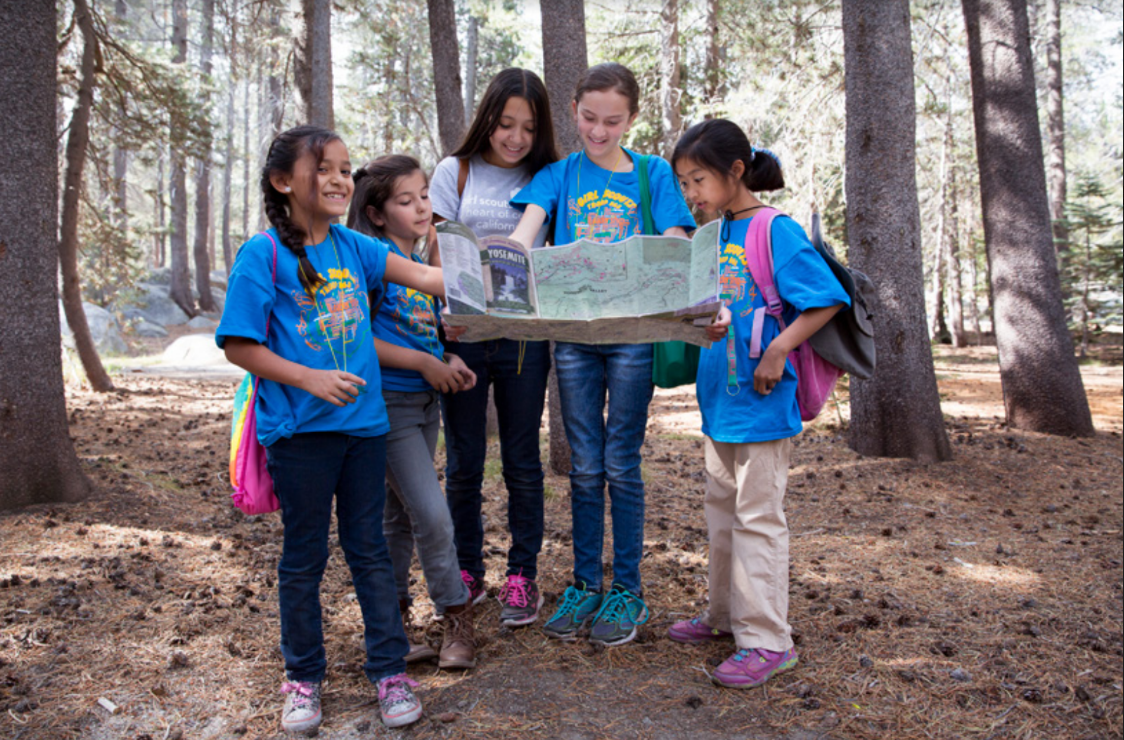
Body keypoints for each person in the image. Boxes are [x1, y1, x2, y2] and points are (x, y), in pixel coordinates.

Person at [217, 126, 444, 733]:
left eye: (346, 168)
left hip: (365, 429)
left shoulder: (355, 248)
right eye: (325, 168)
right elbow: (239, 343)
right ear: (283, 182)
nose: (341, 178)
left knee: (369, 549)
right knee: (304, 557)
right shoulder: (262, 255)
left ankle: (389, 672)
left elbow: (428, 280)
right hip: (299, 434)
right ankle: (303, 679)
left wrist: (509, 274)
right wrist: (309, 378)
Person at [507, 62, 697, 646]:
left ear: (631, 119)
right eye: (589, 118)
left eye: (612, 121)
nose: (599, 130)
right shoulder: (561, 174)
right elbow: (527, 232)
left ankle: (628, 590)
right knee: (584, 465)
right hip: (575, 337)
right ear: (573, 111)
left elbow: (676, 237)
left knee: (622, 461)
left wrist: (672, 255)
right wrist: (504, 261)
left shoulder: (652, 172)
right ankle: (586, 582)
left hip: (634, 335)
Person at [668, 119, 849, 688]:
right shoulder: (714, 234)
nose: (691, 193)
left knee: (758, 519)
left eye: (698, 179)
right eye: (683, 183)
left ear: (735, 171)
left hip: (766, 401)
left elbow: (826, 300)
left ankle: (768, 639)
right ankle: (724, 617)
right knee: (721, 513)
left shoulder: (775, 230)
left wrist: (777, 349)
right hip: (721, 399)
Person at [429, 68, 558, 627]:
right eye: (506, 124)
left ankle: (522, 576)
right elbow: (436, 252)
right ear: (487, 119)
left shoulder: (548, 176)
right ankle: (465, 569)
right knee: (463, 461)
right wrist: (448, 317)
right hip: (462, 334)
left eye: (528, 127)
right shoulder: (453, 173)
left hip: (525, 336)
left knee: (523, 462)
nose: (515, 138)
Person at [347, 154, 479, 669]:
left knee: (397, 516)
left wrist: (445, 357)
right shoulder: (372, 259)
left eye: (424, 194)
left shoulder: (424, 260)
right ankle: (455, 616)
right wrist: (425, 363)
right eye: (406, 200)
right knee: (431, 515)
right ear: (377, 213)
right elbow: (359, 340)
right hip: (387, 404)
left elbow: (421, 329)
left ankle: (392, 626)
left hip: (424, 406)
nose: (422, 206)